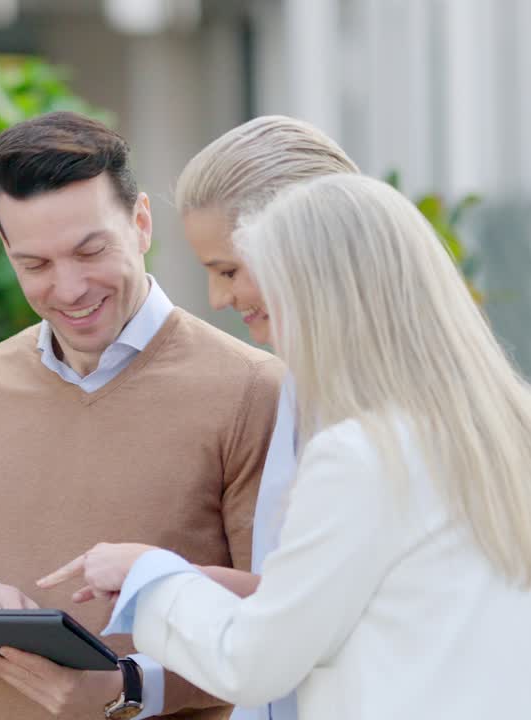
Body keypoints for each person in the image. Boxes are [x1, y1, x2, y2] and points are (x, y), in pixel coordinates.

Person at [42, 174, 531, 719]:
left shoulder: (362, 455)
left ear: (319, 296)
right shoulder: (508, 428)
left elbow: (251, 662)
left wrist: (147, 575)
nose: (248, 312)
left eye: (267, 289)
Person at [0, 111, 283, 720]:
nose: (68, 289)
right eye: (35, 265)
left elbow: (282, 627)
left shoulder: (252, 388)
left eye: (89, 251)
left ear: (141, 223)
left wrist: (128, 686)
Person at [172, 115, 360, 720]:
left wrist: (157, 587)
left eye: (228, 270)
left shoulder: (371, 414)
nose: (218, 300)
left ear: (302, 245)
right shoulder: (302, 383)